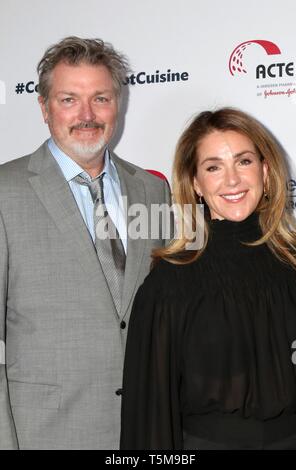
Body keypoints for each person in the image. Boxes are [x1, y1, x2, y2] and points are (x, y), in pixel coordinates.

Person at [0, 36, 171, 450]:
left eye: (101, 98)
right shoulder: (5, 192)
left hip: (145, 427)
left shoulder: (152, 190)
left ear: (119, 104)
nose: (87, 115)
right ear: (43, 108)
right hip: (44, 432)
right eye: (68, 100)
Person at [120, 107, 296, 450]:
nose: (232, 180)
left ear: (265, 170)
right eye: (214, 167)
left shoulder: (295, 266)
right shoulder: (168, 286)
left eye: (244, 162)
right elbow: (149, 415)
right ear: (196, 184)